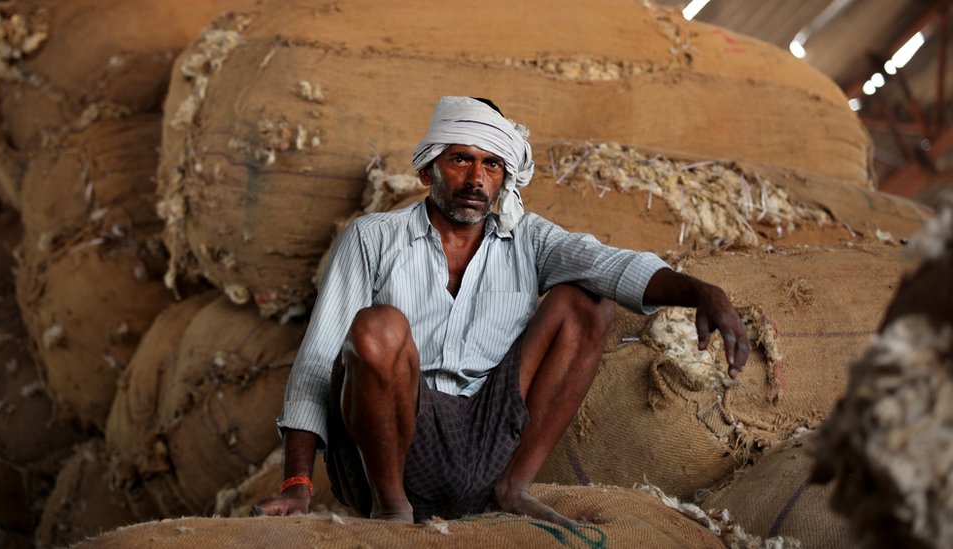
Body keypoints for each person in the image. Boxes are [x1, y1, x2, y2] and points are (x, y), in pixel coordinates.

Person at [256, 96, 749, 525]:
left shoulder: (528, 239)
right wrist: (297, 484)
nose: (476, 179)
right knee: (378, 328)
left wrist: (702, 292)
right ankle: (392, 508)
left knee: (587, 301)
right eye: (461, 160)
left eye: (492, 165)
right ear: (427, 170)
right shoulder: (372, 237)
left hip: (486, 436)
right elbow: (317, 362)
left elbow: (607, 263)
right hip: (389, 444)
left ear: (505, 178)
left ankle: (513, 489)